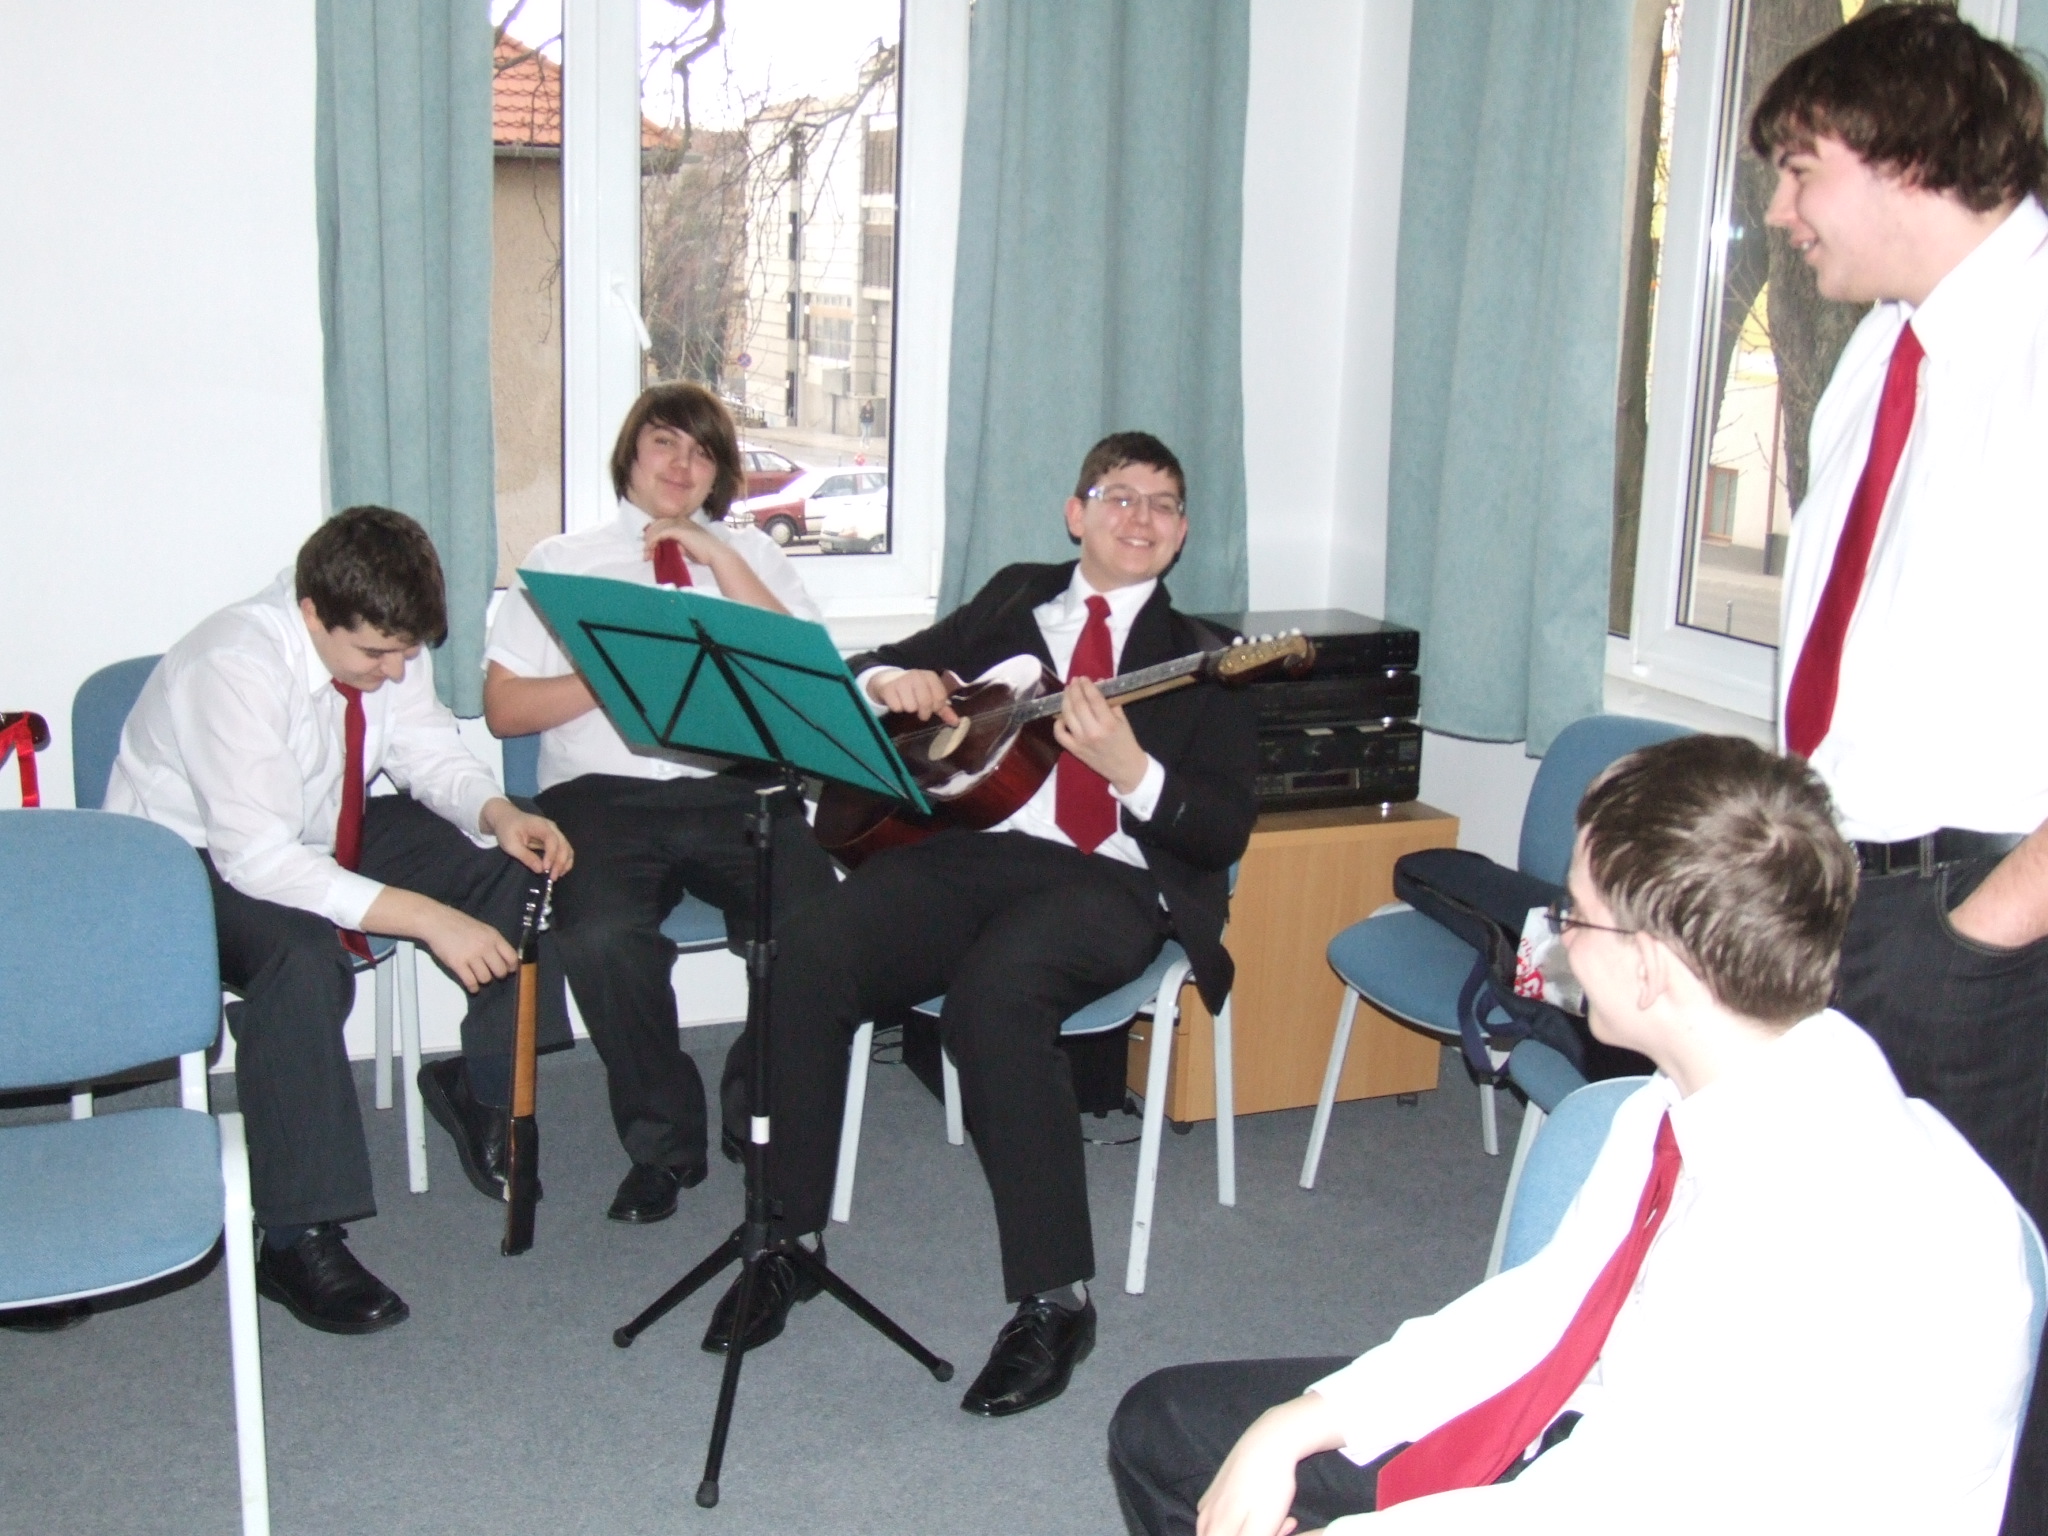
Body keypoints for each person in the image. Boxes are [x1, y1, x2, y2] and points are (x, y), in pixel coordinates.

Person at [1110, 735, 2036, 1535]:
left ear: (1651, 969)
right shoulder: (1710, 1087)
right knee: (1171, 1430)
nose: (1555, 941)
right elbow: (1546, 1304)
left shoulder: (1809, 1238)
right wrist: (1302, 1422)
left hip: (1636, 1500)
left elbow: (1597, 1508)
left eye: (1575, 916)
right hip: (1598, 1438)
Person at [705, 430, 1257, 1416]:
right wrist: (889, 686)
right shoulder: (1015, 599)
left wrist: (1133, 771)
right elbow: (879, 665)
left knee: (995, 998)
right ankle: (787, 1238)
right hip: (975, 854)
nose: (1140, 517)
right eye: (1118, 496)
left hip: (1112, 883)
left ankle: (1056, 1301)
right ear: (1076, 513)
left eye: (1163, 503)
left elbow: (1220, 830)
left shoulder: (1209, 661)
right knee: (811, 948)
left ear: (1180, 534)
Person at [1750, 10, 2048, 1528]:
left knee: (1985, 1330)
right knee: (1853, 1294)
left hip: (1983, 911)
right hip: (1850, 884)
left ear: (1903, 155)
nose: (1779, 211)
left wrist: (1980, 935)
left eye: (1801, 170)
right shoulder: (1882, 351)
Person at [106, 507, 574, 1334]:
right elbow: (258, 860)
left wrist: (498, 811)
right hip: (187, 860)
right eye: (375, 655)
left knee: (514, 866)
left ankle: (484, 1090)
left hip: (324, 822)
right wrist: (428, 918)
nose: (394, 671)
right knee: (299, 957)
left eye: (406, 652)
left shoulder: (385, 637)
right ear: (313, 610)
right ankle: (295, 1237)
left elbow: (425, 750)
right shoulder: (233, 664)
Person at [481, 382, 836, 1223]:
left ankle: (757, 1104)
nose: (682, 465)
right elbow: (503, 710)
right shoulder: (561, 561)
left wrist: (721, 559)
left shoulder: (752, 558)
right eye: (665, 442)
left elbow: (807, 676)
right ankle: (664, 1143)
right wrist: (614, 677)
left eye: (703, 452)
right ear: (630, 454)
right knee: (601, 936)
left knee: (818, 926)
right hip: (601, 798)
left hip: (734, 788)